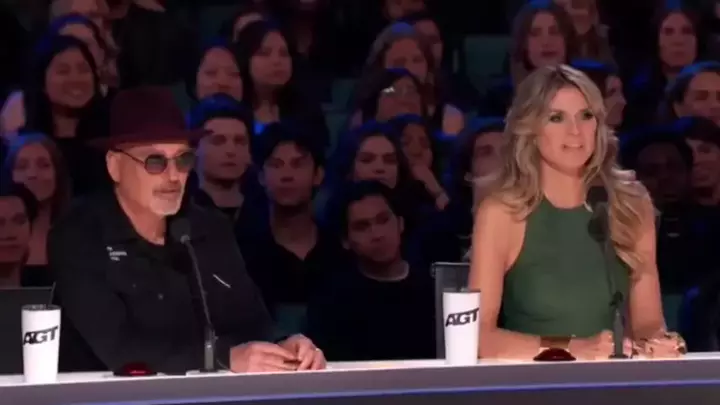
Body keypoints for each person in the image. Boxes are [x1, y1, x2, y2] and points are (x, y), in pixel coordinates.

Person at [49, 87, 325, 374]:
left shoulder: (208, 227)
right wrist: (223, 358)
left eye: (183, 160)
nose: (173, 176)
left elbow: (252, 322)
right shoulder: (79, 234)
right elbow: (120, 346)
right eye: (155, 162)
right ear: (115, 166)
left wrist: (284, 346)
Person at [468, 65, 685, 361]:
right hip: (531, 382)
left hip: (613, 381)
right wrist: (570, 348)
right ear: (530, 129)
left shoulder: (629, 203)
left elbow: (648, 322)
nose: (575, 131)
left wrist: (657, 343)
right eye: (556, 118)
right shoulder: (503, 213)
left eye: (586, 116)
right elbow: (478, 337)